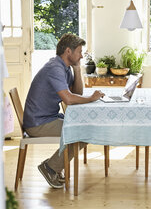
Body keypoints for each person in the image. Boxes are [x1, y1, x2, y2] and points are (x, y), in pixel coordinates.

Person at [22, 33, 104, 189]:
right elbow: (69, 99)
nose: (81, 55)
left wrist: (77, 69)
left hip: (46, 118)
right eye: (79, 52)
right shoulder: (55, 69)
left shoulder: (64, 68)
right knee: (83, 132)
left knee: (83, 130)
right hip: (38, 124)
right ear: (68, 51)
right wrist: (92, 98)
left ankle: (52, 167)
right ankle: (50, 168)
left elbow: (77, 93)